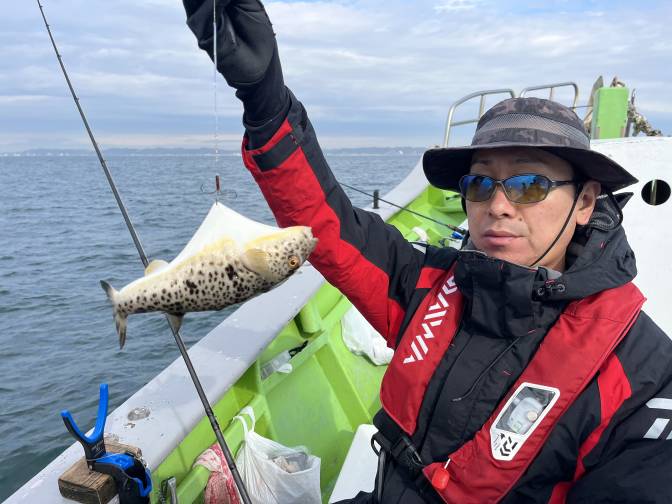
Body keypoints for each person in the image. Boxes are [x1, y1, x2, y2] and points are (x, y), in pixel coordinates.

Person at [182, 1, 672, 502]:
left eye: (529, 185)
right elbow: (327, 227)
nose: (498, 206)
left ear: (585, 202)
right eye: (480, 184)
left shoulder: (643, 375)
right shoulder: (430, 287)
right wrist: (264, 99)